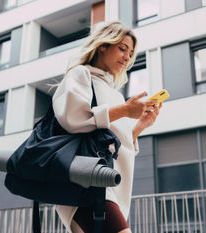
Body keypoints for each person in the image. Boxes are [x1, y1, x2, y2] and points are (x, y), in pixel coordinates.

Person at [52, 20, 162, 233]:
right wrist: (125, 111)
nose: (127, 57)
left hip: (106, 183)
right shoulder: (81, 74)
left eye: (130, 53)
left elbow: (113, 144)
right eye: (122, 48)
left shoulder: (115, 93)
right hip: (86, 182)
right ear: (103, 45)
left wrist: (138, 126)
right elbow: (73, 119)